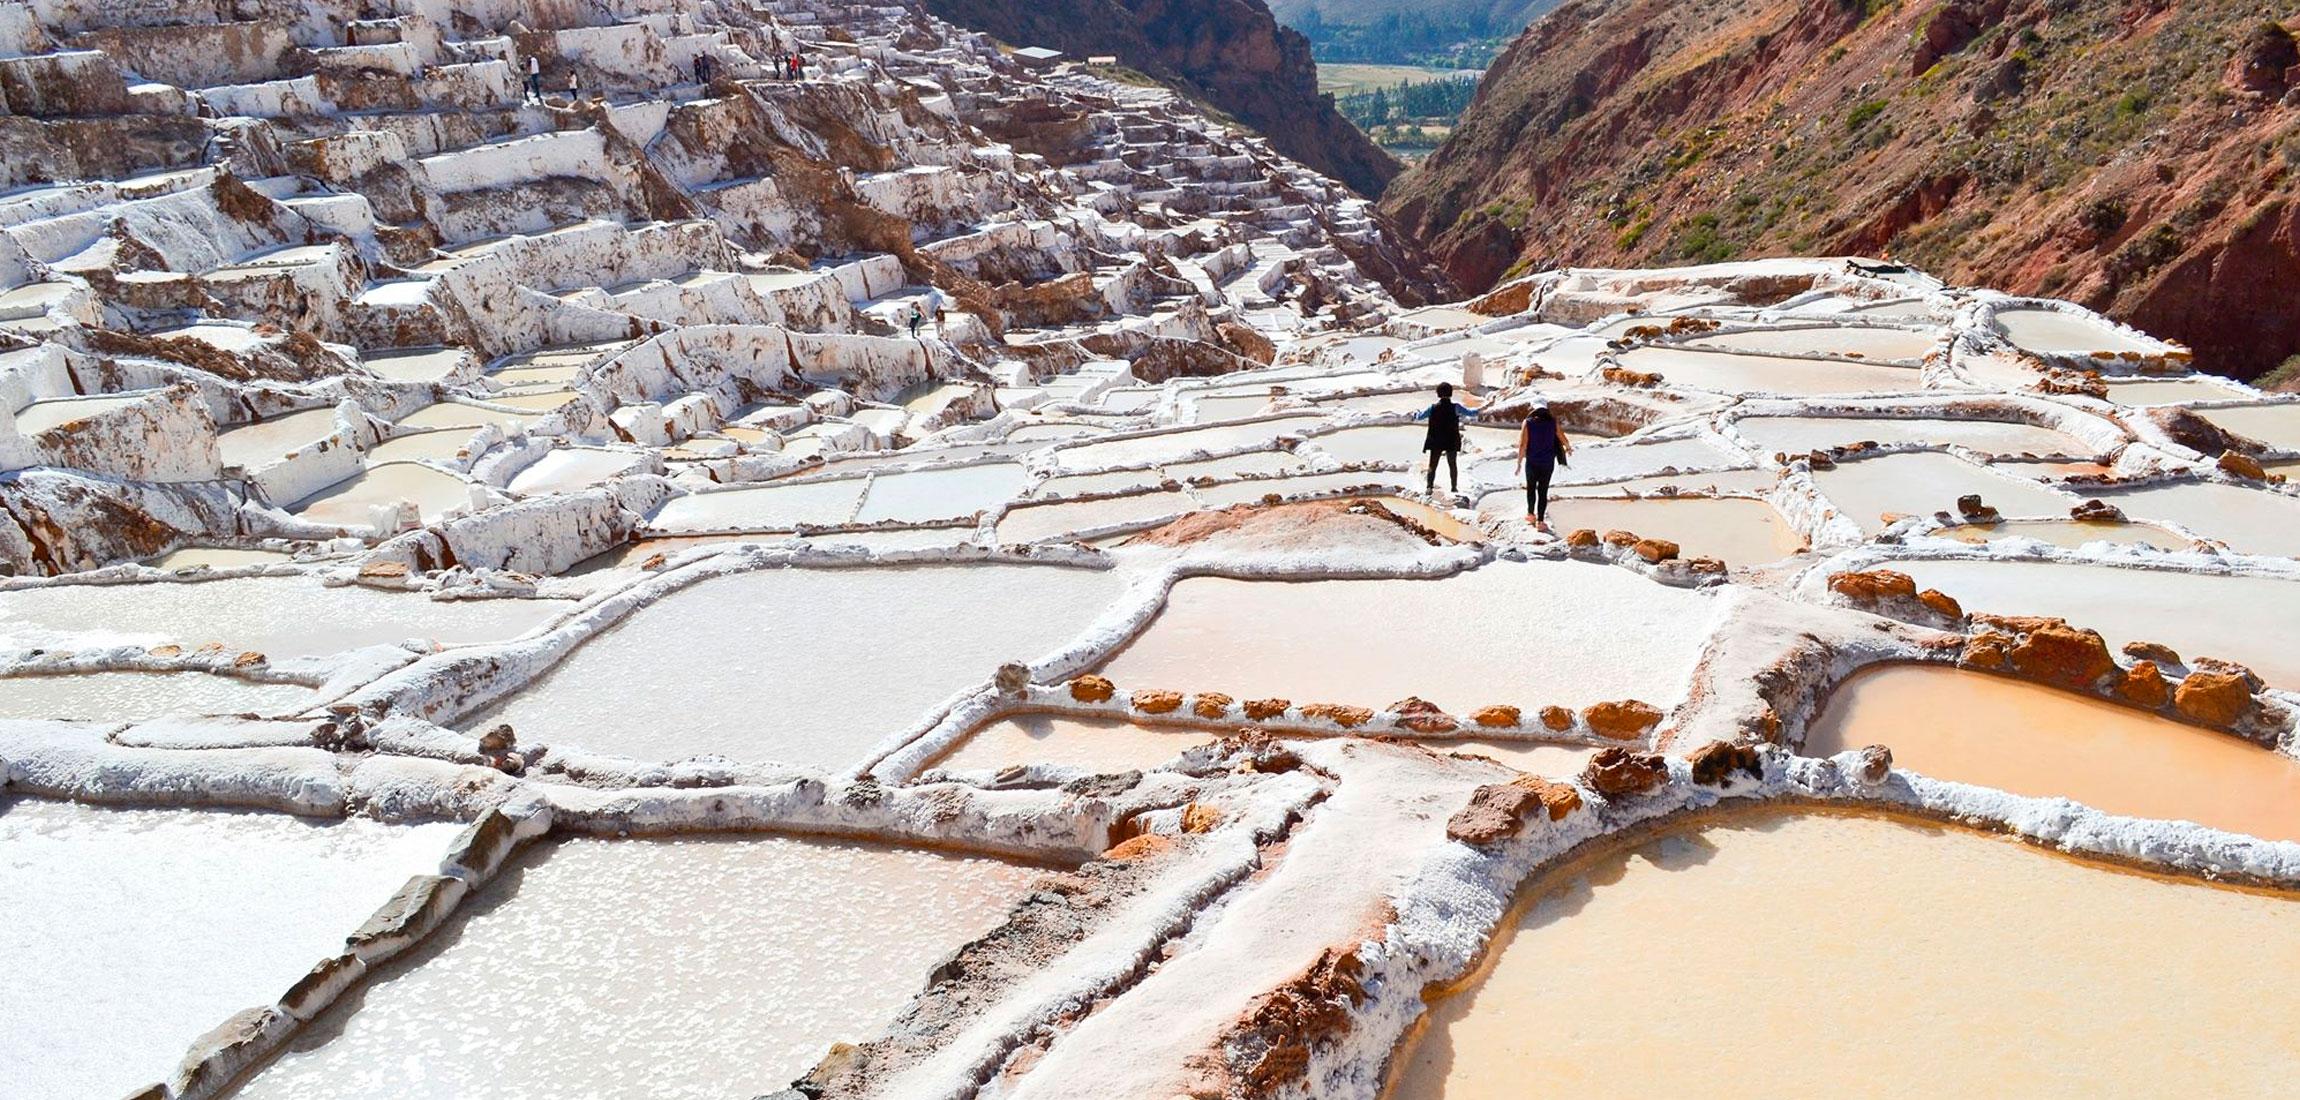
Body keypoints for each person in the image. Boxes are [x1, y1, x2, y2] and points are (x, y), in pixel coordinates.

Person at [1410, 381, 1480, 497]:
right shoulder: (1456, 407)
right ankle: (1454, 488)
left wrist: (1415, 413)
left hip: (1435, 440)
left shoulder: (1432, 408)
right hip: (1451, 439)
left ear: (1438, 393)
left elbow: (1420, 416)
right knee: (1452, 464)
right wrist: (1483, 408)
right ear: (1451, 393)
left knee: (1432, 465)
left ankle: (1429, 488)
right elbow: (1471, 413)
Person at [1514, 399, 1573, 531]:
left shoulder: (1528, 423)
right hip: (1547, 462)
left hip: (1532, 461)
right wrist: (1568, 448)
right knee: (1543, 490)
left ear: (1533, 408)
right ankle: (1540, 522)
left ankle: (1530, 515)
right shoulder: (1552, 422)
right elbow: (1562, 436)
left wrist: (1519, 462)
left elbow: (1523, 444)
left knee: (1531, 488)